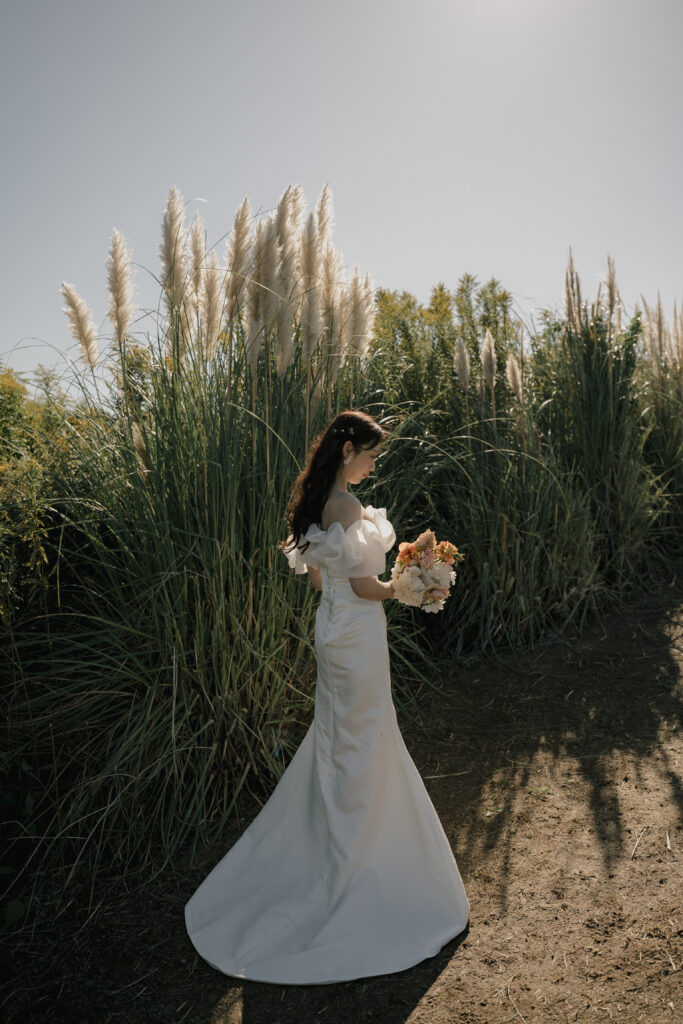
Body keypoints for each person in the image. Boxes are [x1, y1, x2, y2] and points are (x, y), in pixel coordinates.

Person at [184, 409, 470, 984]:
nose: (372, 463)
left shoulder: (320, 505)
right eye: (369, 454)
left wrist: (395, 580)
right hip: (358, 636)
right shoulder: (347, 507)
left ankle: (343, 840)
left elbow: (322, 578)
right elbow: (367, 586)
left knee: (344, 734)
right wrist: (413, 584)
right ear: (347, 451)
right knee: (363, 736)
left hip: (333, 631)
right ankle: (356, 860)